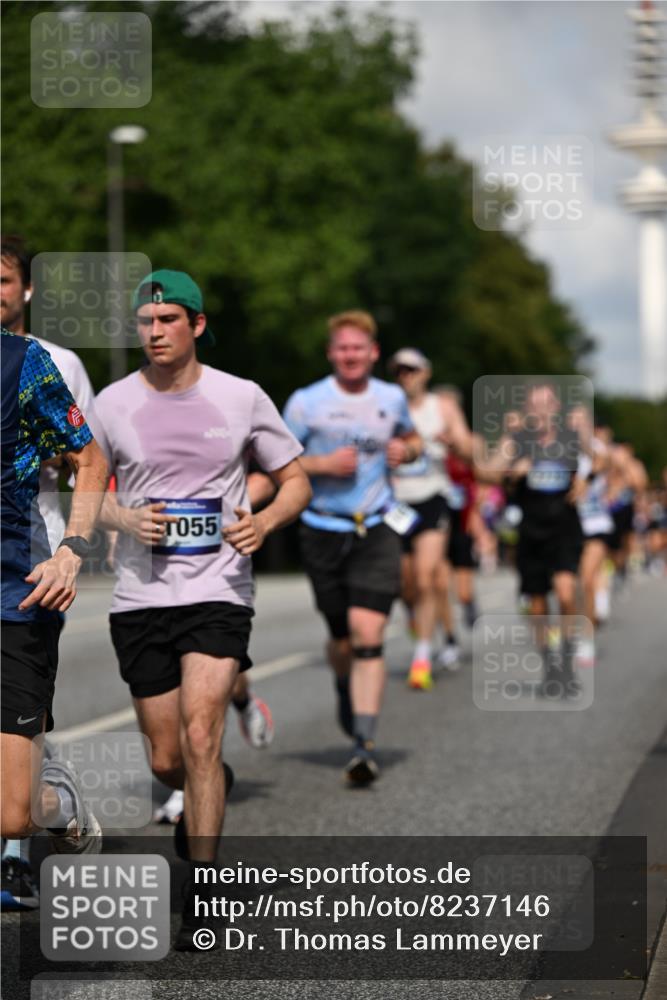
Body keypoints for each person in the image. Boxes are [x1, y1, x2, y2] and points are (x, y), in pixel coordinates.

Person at [90, 270, 310, 950]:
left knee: (202, 728)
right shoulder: (110, 403)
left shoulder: (240, 396)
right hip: (140, 594)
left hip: (218, 587)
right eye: (146, 321)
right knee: (166, 757)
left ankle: (204, 889)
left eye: (167, 320)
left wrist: (266, 523)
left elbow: (295, 478)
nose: (154, 332)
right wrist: (122, 516)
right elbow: (83, 491)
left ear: (197, 325)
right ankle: (201, 782)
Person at [1, 238, 99, 911]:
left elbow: (88, 462)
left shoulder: (27, 364)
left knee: (12, 816)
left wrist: (72, 551)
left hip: (14, 594)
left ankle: (57, 801)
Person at [283, 310, 421, 784]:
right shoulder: (306, 402)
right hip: (322, 528)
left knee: (369, 631)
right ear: (331, 353)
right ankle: (344, 681)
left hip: (377, 526)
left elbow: (412, 436)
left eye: (358, 348)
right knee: (341, 638)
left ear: (373, 353)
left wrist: (412, 450)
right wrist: (321, 463)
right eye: (342, 348)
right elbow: (278, 459)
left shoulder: (392, 397)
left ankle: (364, 744)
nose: (350, 356)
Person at [476, 383, 586, 696]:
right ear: (527, 410)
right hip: (531, 531)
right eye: (534, 404)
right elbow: (487, 471)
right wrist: (512, 473)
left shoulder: (570, 437)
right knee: (537, 604)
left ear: (555, 408)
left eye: (546, 403)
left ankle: (566, 659)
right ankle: (549, 664)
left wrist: (585, 482)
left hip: (564, 527)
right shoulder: (518, 440)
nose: (540, 410)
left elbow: (601, 460)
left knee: (566, 593)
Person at [389, 351, 472, 690]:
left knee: (426, 578)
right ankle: (414, 615)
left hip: (432, 498)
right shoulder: (386, 403)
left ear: (426, 372)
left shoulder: (443, 407)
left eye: (411, 370)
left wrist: (454, 444)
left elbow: (469, 449)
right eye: (399, 371)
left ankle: (422, 657)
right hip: (394, 503)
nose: (405, 376)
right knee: (403, 582)